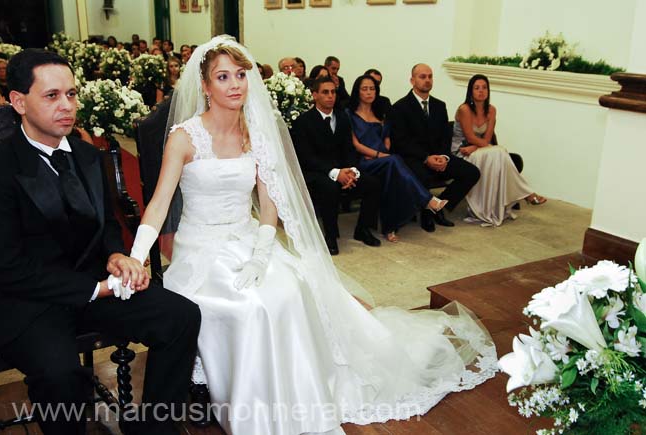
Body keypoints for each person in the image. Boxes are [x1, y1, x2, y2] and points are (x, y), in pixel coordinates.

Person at [127, 35, 497, 435]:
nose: (234, 84)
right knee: (249, 306)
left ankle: (297, 395)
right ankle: (251, 409)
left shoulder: (255, 135)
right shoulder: (185, 137)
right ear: (205, 85)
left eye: (240, 75)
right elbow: (160, 203)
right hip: (201, 248)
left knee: (289, 289)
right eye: (222, 76)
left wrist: (261, 252)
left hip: (250, 238)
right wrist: (135, 256)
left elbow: (268, 207)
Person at [0, 49, 201, 435]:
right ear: (18, 101)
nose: (66, 105)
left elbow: (106, 223)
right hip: (30, 301)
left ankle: (154, 428)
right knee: (60, 375)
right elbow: (7, 266)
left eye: (71, 94)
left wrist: (116, 256)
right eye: (52, 96)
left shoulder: (89, 156)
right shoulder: (3, 167)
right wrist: (97, 287)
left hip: (94, 285)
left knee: (180, 316)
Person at [347, 75, 447, 241]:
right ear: (357, 92)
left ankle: (390, 226)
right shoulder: (349, 114)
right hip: (365, 162)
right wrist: (379, 155)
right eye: (364, 89)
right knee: (394, 161)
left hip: (384, 160)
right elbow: (356, 144)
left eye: (372, 89)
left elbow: (387, 138)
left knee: (391, 177)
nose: (369, 92)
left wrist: (384, 150)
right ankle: (427, 200)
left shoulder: (380, 113)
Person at [293, 75, 382, 255]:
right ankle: (331, 236)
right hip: (316, 172)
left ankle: (362, 229)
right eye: (325, 92)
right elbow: (306, 157)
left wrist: (351, 171)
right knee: (329, 187)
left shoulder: (342, 118)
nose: (330, 96)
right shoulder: (303, 122)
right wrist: (335, 173)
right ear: (314, 95)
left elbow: (349, 149)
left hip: (343, 169)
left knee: (373, 184)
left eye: (333, 92)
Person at [390, 63, 480, 232]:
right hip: (414, 158)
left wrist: (444, 157)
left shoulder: (440, 105)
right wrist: (426, 158)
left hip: (439, 156)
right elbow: (401, 142)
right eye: (422, 77)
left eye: (430, 76)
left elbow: (446, 136)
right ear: (412, 80)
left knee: (472, 173)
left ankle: (438, 209)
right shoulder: (400, 107)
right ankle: (425, 215)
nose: (427, 80)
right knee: (422, 176)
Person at [452, 74, 546, 226]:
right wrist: (476, 145)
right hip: (462, 151)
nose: (481, 91)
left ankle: (511, 199)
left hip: (478, 149)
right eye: (477, 88)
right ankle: (527, 194)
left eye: (484, 88)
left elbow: (488, 138)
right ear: (470, 91)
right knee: (499, 152)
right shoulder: (464, 109)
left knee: (498, 153)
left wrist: (476, 146)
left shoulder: (492, 110)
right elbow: (470, 137)